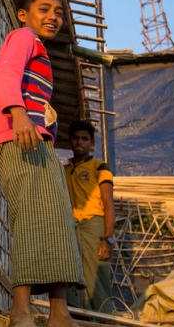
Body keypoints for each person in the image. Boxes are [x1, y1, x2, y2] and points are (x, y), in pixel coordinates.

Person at [0, 0, 84, 327]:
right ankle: (21, 310)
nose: (53, 17)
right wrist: (17, 115)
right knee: (33, 216)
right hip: (24, 139)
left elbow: (5, 96)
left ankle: (58, 312)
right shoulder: (22, 37)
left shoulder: (40, 51)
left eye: (58, 12)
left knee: (56, 218)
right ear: (24, 15)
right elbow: (5, 76)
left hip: (34, 139)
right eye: (44, 9)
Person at [64, 120, 115, 313]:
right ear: (70, 141)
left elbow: (108, 203)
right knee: (71, 275)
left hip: (94, 226)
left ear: (91, 142)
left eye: (84, 139)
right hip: (71, 227)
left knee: (96, 276)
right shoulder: (64, 170)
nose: (80, 142)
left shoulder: (100, 167)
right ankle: (77, 319)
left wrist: (108, 239)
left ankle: (103, 319)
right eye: (76, 138)